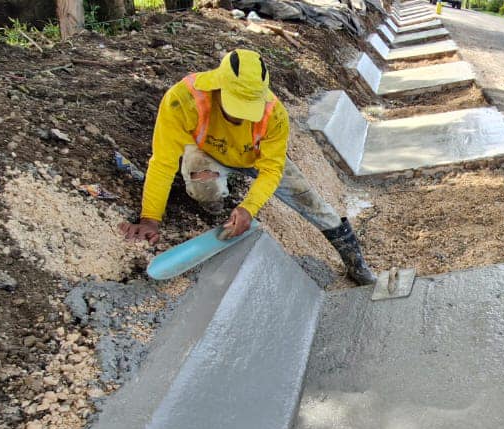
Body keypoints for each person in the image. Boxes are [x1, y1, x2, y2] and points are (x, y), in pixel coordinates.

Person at [119, 49, 376, 284]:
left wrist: (249, 208)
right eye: (236, 107)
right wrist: (150, 218)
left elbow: (271, 170)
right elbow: (163, 163)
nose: (241, 116)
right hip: (208, 153)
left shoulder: (274, 114)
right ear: (218, 85)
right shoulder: (183, 100)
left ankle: (356, 263)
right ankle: (215, 209)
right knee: (203, 184)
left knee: (314, 204)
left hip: (254, 157)